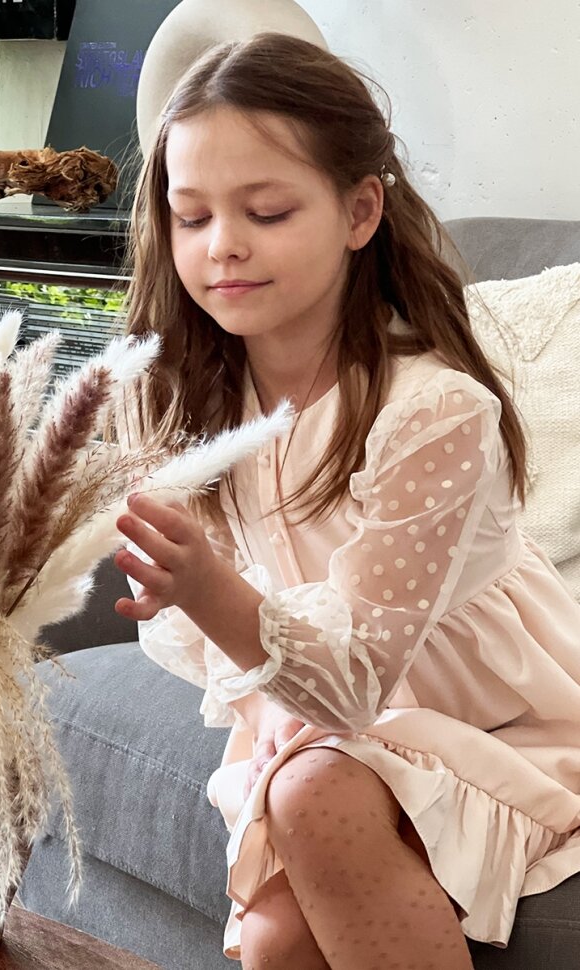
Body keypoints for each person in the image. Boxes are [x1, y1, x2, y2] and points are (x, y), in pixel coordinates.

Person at [105, 32, 580, 970]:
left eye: (267, 211)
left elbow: (354, 680)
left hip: (491, 721)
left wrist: (206, 588)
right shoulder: (177, 397)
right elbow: (209, 646)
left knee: (309, 793)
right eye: (191, 216)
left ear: (361, 211)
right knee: (275, 936)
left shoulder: (433, 412)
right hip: (306, 699)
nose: (222, 245)